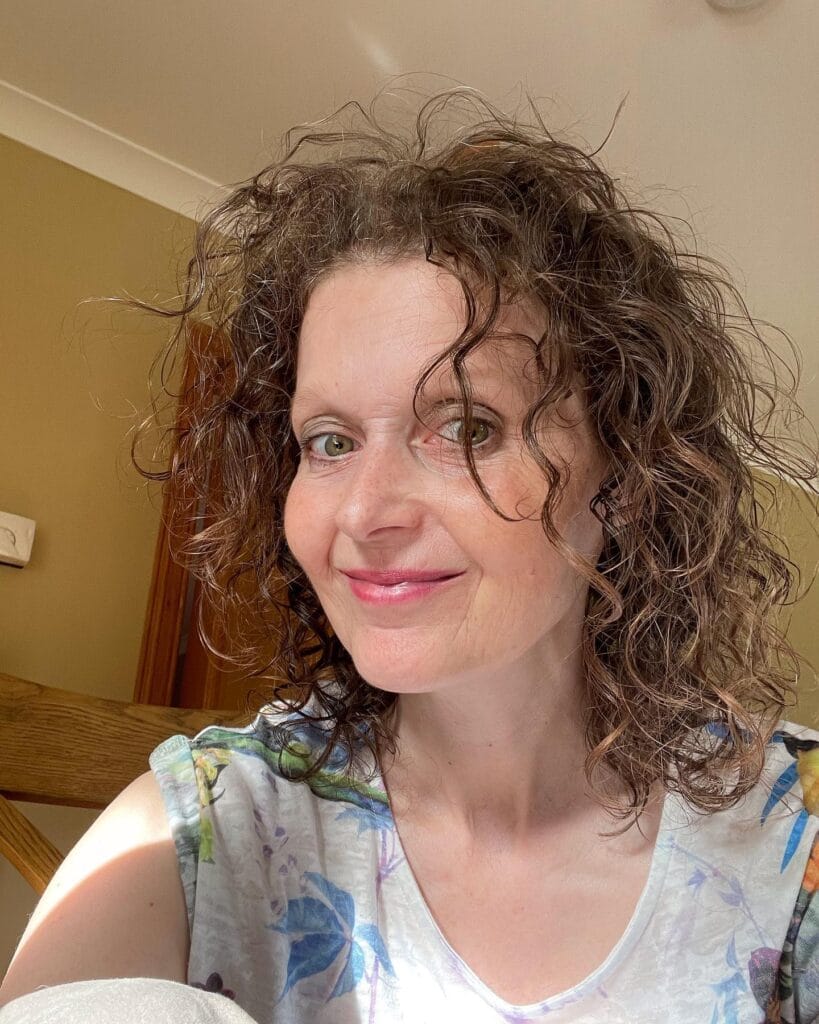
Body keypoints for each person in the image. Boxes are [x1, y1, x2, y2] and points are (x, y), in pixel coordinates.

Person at [1, 89, 818, 1024]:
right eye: (330, 441)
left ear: (625, 476)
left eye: (466, 427)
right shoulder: (198, 829)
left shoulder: (794, 840)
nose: (365, 512)